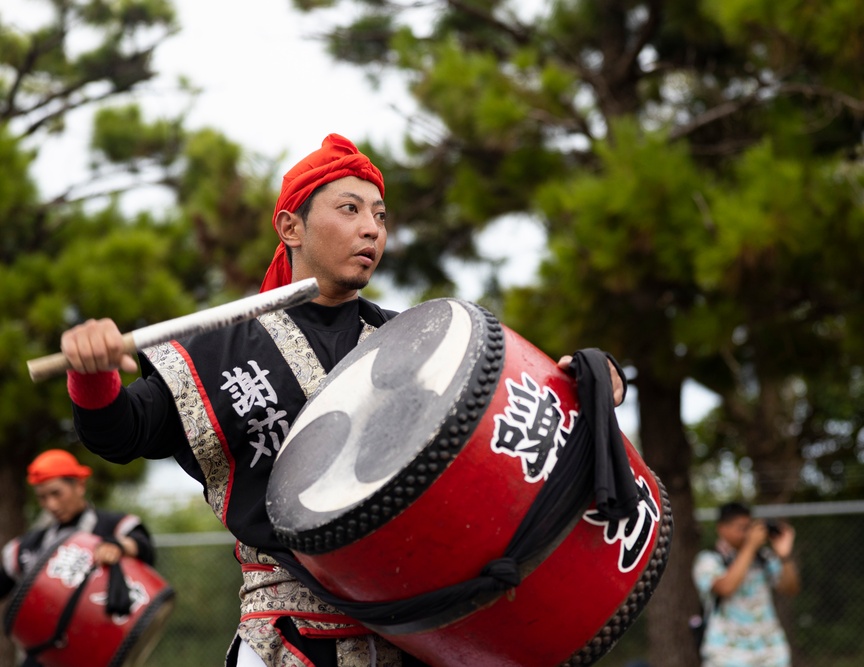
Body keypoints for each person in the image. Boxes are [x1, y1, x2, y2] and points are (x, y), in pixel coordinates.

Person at [58, 133, 627, 667]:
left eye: (380, 216)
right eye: (350, 210)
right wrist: (93, 375)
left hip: (417, 635)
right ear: (291, 227)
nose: (372, 229)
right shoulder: (219, 347)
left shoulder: (418, 342)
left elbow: (498, 428)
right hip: (286, 636)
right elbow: (121, 433)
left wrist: (586, 381)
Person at [0, 449, 156, 666]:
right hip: (45, 654)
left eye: (56, 494)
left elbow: (144, 546)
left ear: (79, 486)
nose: (50, 505)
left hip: (99, 649)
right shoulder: (30, 545)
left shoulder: (111, 525)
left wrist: (118, 546)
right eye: (42, 497)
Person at [692, 501, 801, 667]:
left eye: (749, 526)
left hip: (770, 653)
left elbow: (790, 588)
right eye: (741, 528)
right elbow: (725, 588)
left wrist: (784, 555)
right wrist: (750, 546)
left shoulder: (764, 557)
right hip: (726, 655)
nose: (748, 533)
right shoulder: (709, 560)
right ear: (722, 528)